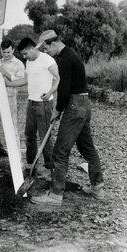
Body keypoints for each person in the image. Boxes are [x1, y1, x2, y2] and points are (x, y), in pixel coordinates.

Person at [31, 30, 104, 206]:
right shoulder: (71, 54)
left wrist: (57, 109)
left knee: (60, 151)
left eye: (46, 49)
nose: (46, 52)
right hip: (84, 103)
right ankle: (98, 189)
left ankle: (55, 195)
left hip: (75, 105)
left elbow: (64, 89)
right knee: (87, 147)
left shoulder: (64, 59)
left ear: (53, 43)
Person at [7, 37, 59, 173]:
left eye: (25, 53)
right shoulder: (29, 63)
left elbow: (59, 78)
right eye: (22, 55)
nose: (24, 57)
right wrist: (8, 83)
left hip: (44, 104)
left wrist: (49, 93)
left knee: (45, 137)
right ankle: (30, 164)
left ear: (32, 48)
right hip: (31, 102)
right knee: (29, 136)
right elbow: (24, 80)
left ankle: (50, 167)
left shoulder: (47, 59)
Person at [0, 39, 25, 164]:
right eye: (3, 52)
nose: (6, 55)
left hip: (9, 98)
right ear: (0, 51)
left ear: (13, 50)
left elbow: (21, 81)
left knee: (12, 128)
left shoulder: (19, 64)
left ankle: (16, 159)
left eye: (8, 52)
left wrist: (5, 72)